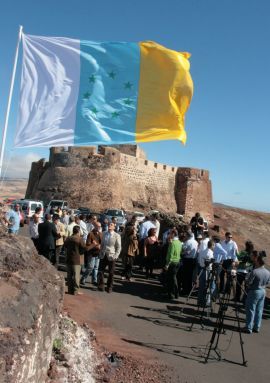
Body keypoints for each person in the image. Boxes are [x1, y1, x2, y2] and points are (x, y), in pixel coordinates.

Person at [244, 251, 270, 333]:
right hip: (263, 291)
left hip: (254, 291)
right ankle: (257, 327)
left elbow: (248, 283)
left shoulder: (255, 272)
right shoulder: (267, 272)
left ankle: (248, 327)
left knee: (251, 309)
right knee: (259, 310)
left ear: (258, 261)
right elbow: (268, 282)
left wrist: (246, 279)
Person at [64, 225, 90, 295]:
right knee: (76, 276)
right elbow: (85, 248)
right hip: (77, 259)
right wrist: (93, 245)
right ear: (78, 231)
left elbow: (65, 245)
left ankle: (70, 290)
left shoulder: (69, 238)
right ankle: (75, 291)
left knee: (69, 276)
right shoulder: (79, 239)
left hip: (69, 258)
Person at [98, 222, 121, 293]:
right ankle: (101, 285)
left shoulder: (117, 235)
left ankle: (109, 287)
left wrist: (116, 256)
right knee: (101, 271)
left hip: (111, 255)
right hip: (103, 254)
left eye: (111, 225)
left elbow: (118, 247)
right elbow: (102, 244)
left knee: (111, 272)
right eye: (109, 224)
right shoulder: (104, 233)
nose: (109, 226)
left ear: (114, 227)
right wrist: (100, 252)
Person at [164, 229, 182, 299]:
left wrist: (167, 264)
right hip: (177, 261)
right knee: (174, 278)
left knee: (171, 279)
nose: (169, 235)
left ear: (173, 234)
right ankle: (176, 293)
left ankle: (171, 294)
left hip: (172, 263)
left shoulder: (173, 243)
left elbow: (170, 255)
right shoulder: (179, 242)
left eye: (170, 233)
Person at [197, 240, 214, 306]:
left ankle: (199, 301)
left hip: (202, 269)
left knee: (201, 286)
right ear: (212, 245)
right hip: (207, 270)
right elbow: (211, 263)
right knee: (207, 286)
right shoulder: (211, 253)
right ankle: (206, 302)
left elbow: (199, 260)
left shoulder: (202, 251)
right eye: (213, 245)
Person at [181, 230, 198, 294]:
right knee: (190, 275)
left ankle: (185, 289)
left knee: (186, 275)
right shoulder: (196, 242)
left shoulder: (187, 242)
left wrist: (183, 253)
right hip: (193, 260)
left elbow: (183, 250)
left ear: (188, 235)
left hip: (187, 260)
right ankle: (189, 289)